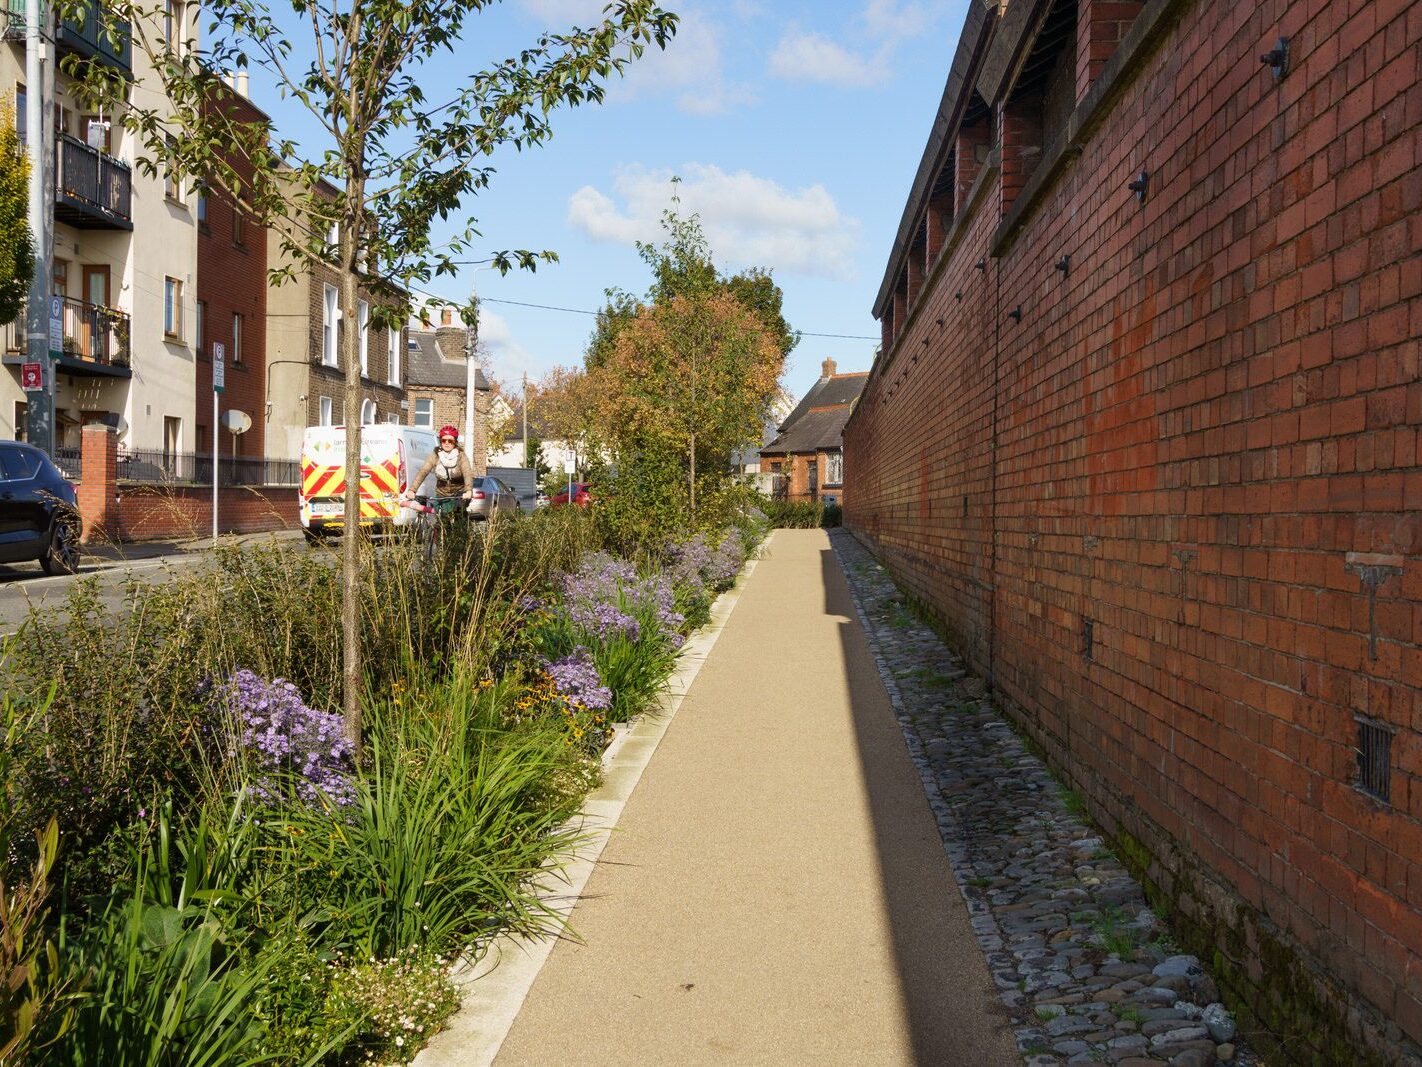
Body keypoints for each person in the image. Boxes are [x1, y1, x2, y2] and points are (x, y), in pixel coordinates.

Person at [404, 425, 474, 508]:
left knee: (459, 515)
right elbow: (423, 471)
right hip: (441, 494)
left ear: (455, 442)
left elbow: (467, 473)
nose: (447, 443)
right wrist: (412, 490)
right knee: (441, 517)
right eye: (444, 440)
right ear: (441, 441)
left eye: (450, 441)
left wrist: (468, 491)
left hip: (459, 494)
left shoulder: (461, 456)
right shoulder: (435, 455)